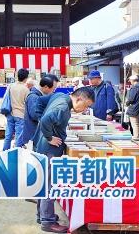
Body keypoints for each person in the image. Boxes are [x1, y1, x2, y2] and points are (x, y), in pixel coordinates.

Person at [35, 87, 95, 233]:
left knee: (44, 184)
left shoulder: (61, 95)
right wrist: (49, 137)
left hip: (43, 147)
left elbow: (41, 102)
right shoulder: (62, 107)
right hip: (49, 149)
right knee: (49, 186)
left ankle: (42, 215)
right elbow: (45, 120)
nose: (84, 109)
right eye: (86, 105)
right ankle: (47, 222)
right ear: (79, 98)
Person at [18, 75, 59, 148]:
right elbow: (35, 115)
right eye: (53, 89)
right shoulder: (34, 97)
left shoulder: (40, 95)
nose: (54, 91)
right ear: (46, 87)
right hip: (32, 136)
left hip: (35, 136)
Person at [3, 68, 30, 151]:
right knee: (18, 136)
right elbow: (28, 103)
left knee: (8, 135)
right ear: (26, 78)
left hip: (10, 113)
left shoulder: (11, 86)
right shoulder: (26, 90)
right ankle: (16, 154)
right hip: (20, 115)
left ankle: (4, 152)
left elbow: (6, 98)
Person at [125, 75, 139, 140]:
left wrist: (127, 103)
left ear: (133, 80)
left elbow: (131, 99)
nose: (130, 82)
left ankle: (136, 137)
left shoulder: (134, 88)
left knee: (135, 124)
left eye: (130, 80)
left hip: (134, 109)